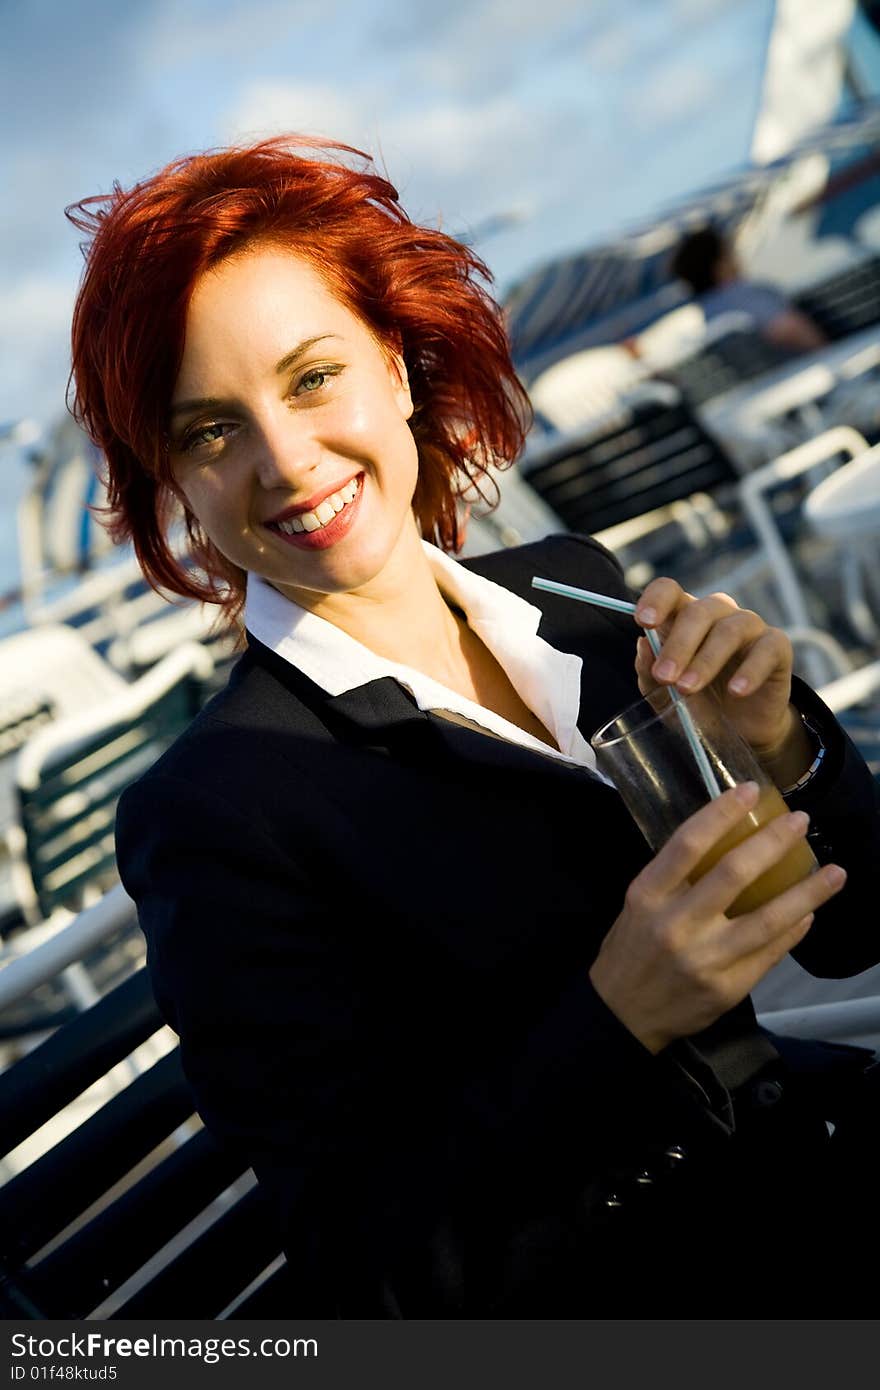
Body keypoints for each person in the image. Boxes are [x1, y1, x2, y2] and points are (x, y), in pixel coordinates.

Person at [67, 137, 879, 1317]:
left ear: (397, 365)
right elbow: (370, 1267)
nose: (286, 460)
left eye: (310, 377)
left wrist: (777, 741)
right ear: (174, 487)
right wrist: (616, 1016)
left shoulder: (573, 591)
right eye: (207, 432)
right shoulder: (216, 812)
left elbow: (856, 927)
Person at [670, 224, 827, 355]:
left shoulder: (708, 313)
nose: (737, 257)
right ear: (720, 266)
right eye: (729, 253)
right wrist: (827, 352)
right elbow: (789, 329)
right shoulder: (745, 295)